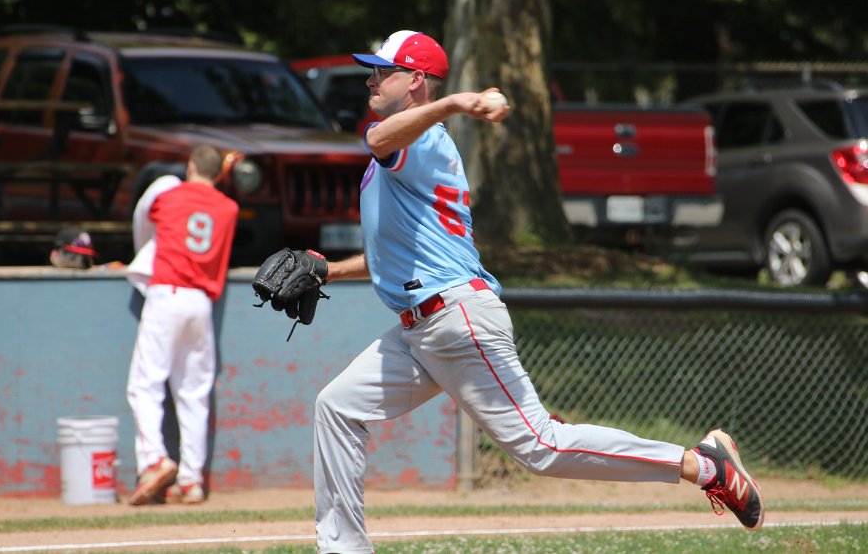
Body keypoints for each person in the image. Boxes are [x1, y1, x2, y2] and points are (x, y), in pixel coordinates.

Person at [312, 30, 765, 553]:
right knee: (337, 407)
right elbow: (393, 254)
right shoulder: (402, 146)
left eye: (381, 70)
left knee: (542, 447)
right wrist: (329, 272)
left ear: (415, 81)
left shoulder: (417, 138)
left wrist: (456, 103)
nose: (370, 80)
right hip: (419, 329)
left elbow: (377, 139)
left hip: (456, 320)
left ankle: (704, 466)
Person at [125, 145, 239, 506]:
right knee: (194, 393)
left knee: (145, 385)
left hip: (166, 293)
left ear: (190, 165)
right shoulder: (229, 207)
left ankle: (154, 460)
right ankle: (191, 480)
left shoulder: (168, 194)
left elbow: (143, 225)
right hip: (201, 302)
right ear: (218, 173)